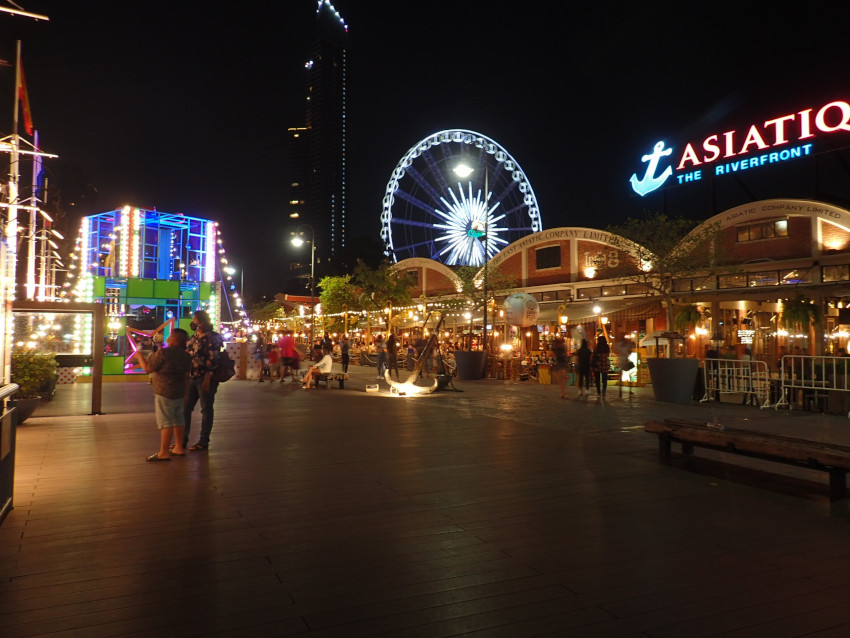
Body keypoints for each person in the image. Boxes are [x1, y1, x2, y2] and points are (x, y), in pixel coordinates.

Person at [133, 328, 192, 462]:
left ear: (175, 340)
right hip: (180, 392)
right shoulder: (186, 356)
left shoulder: (163, 353)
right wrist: (186, 393)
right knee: (179, 420)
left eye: (170, 337)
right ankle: (178, 447)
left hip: (164, 391)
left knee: (166, 421)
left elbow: (148, 368)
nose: (167, 338)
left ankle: (164, 452)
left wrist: (140, 357)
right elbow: (186, 376)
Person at [183, 310, 224, 451]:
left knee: (206, 409)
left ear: (201, 322)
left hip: (205, 377)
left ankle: (203, 441)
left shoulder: (213, 337)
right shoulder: (194, 338)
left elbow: (214, 359)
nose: (192, 323)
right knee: (185, 408)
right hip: (191, 376)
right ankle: (182, 440)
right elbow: (188, 354)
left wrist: (208, 378)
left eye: (194, 320)